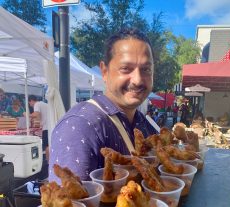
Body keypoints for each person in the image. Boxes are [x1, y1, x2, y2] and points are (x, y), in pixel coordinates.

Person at [49, 28, 158, 183]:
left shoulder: (143, 122)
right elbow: (68, 205)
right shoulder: (80, 125)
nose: (138, 80)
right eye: (126, 69)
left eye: (146, 69)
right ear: (105, 71)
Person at [28, 95, 49, 161]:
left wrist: (27, 115)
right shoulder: (44, 104)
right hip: (50, 127)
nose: (30, 105)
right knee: (49, 145)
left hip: (46, 128)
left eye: (29, 103)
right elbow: (39, 116)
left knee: (46, 146)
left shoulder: (37, 104)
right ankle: (49, 161)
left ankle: (48, 162)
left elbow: (36, 114)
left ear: (31, 101)